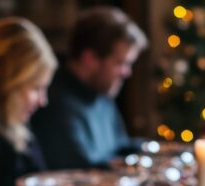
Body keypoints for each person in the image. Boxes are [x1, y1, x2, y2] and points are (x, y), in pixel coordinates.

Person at [32, 7, 148, 170]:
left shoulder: (102, 92)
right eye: (120, 63)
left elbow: (121, 147)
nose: (127, 73)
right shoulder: (54, 103)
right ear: (90, 59)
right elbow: (75, 174)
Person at [0, 17, 57, 186]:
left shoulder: (16, 125)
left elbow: (41, 180)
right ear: (8, 82)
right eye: (36, 88)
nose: (43, 100)